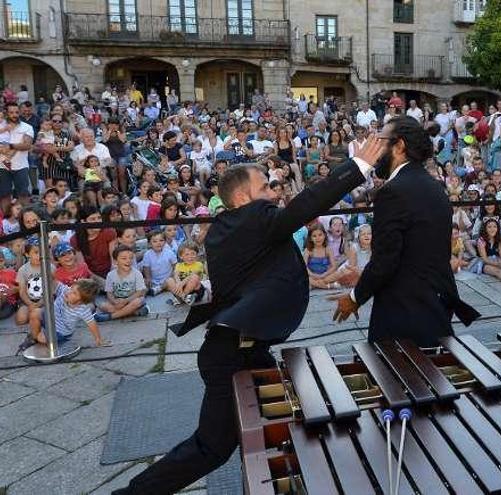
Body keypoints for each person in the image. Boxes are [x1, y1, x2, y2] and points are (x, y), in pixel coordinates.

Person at [112, 134, 383, 495]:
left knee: (281, 425)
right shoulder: (256, 218)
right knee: (213, 447)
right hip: (232, 354)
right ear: (243, 198)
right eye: (265, 187)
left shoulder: (225, 229)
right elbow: (304, 207)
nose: (274, 193)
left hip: (246, 347)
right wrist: (358, 167)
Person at [330, 116, 478, 345]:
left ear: (399, 146)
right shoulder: (434, 186)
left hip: (405, 311)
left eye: (380, 141)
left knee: (396, 376)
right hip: (435, 304)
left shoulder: (393, 192)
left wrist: (354, 297)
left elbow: (385, 260)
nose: (376, 150)